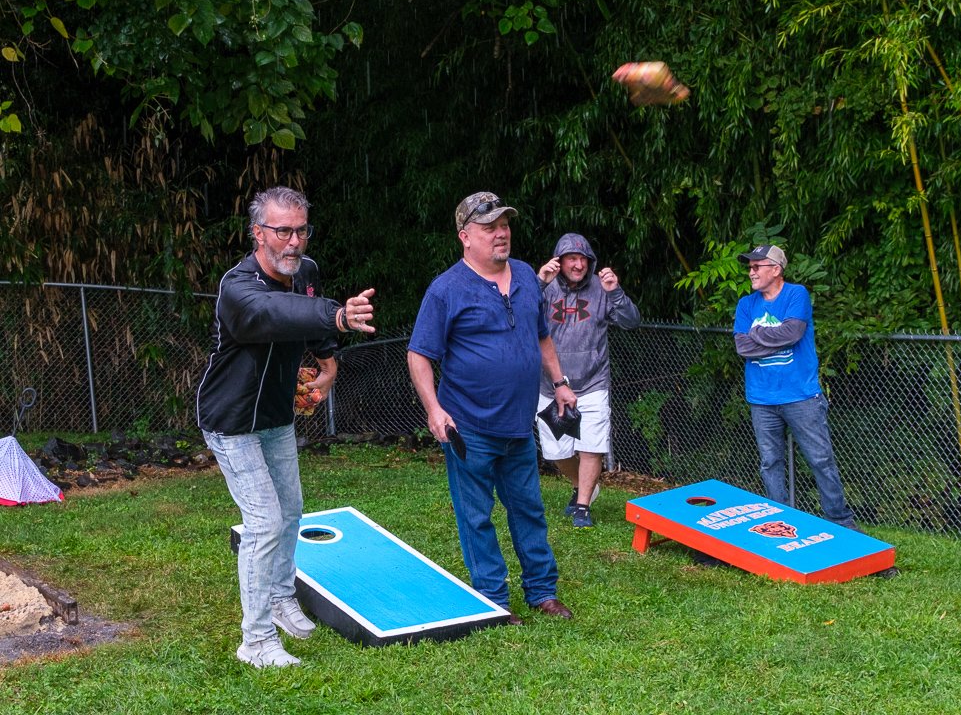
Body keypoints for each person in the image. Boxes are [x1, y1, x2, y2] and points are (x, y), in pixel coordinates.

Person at [196, 186, 375, 668]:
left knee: (291, 509)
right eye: (282, 231)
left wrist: (328, 361)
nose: (294, 242)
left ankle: (279, 599)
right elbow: (274, 314)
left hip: (276, 416)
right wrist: (338, 315)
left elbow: (309, 327)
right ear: (258, 233)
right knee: (263, 522)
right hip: (231, 421)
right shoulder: (238, 287)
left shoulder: (306, 273)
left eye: (301, 230)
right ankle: (254, 641)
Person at [407, 191, 576, 625]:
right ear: (465, 236)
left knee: (528, 509)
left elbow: (541, 337)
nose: (501, 234)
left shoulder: (523, 276)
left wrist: (558, 383)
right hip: (469, 428)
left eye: (504, 225)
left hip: (518, 426)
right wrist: (433, 408)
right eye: (489, 228)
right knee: (476, 516)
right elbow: (420, 354)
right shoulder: (445, 290)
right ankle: (493, 601)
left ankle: (542, 591)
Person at [733, 244, 859, 530]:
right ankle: (780, 522)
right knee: (770, 463)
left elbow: (792, 334)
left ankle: (841, 523)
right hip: (761, 398)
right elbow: (742, 346)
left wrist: (758, 333)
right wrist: (768, 337)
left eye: (757, 266)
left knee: (820, 460)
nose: (751, 272)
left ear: (776, 269)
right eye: (749, 267)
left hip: (801, 396)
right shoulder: (746, 304)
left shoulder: (796, 294)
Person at [536, 233, 640, 528]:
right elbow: (516, 312)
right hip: (550, 383)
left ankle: (582, 507)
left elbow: (632, 322)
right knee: (555, 451)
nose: (578, 264)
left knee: (591, 446)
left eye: (583, 259)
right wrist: (539, 282)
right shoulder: (544, 289)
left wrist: (616, 292)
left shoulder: (601, 288)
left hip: (593, 381)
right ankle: (586, 486)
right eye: (572, 258)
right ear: (560, 261)